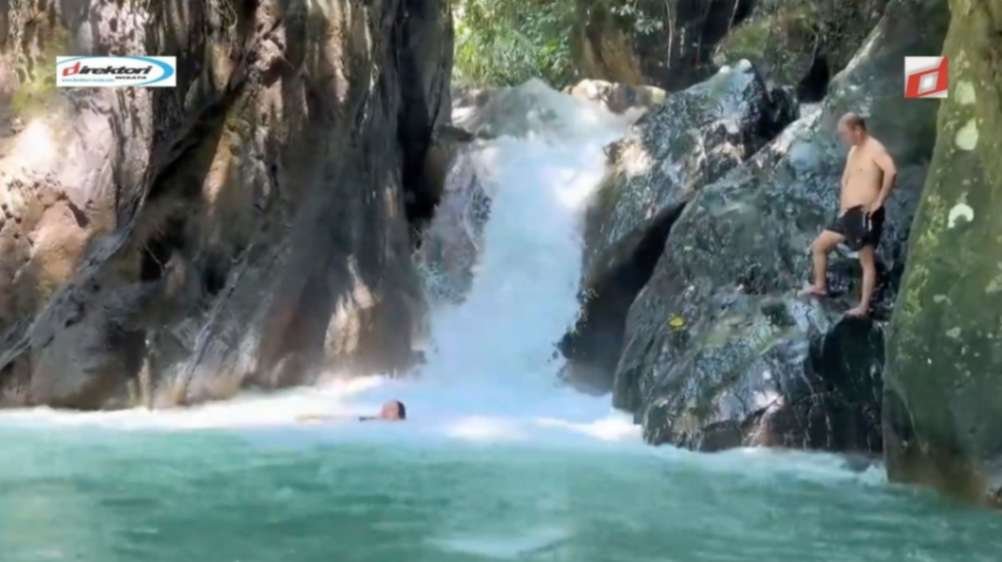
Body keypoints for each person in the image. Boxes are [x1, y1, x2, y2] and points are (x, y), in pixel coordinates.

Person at [800, 113, 897, 318]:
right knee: (819, 246)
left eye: (844, 133)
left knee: (866, 262)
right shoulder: (853, 151)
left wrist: (879, 200)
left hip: (865, 213)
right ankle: (820, 285)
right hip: (847, 215)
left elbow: (891, 171)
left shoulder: (875, 149)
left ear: (857, 130)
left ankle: (863, 307)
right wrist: (843, 204)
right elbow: (846, 179)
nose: (843, 138)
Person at [297, 400, 407, 424]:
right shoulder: (371, 420)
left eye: (391, 409)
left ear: (398, 416)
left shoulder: (398, 426)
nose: (385, 410)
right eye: (385, 407)